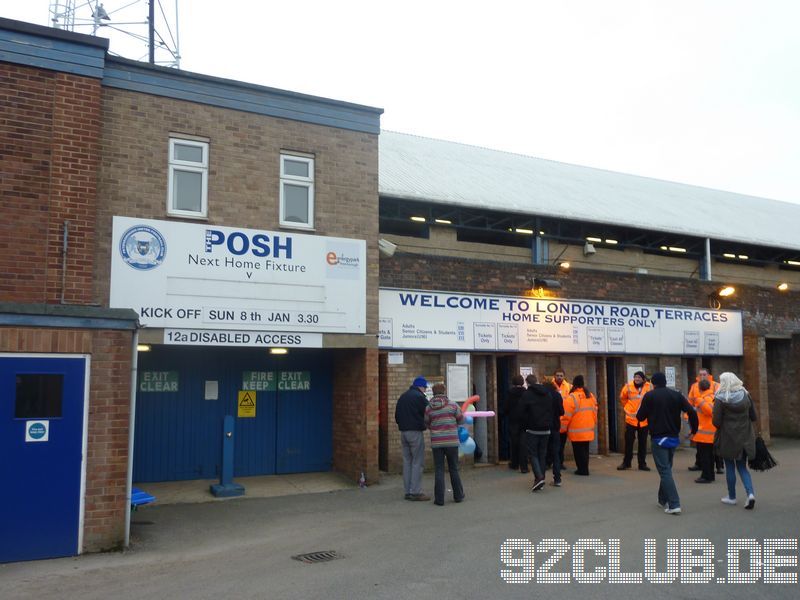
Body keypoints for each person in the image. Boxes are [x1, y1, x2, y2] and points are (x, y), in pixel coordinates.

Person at [636, 372, 698, 515]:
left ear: (653, 383)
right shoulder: (676, 395)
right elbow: (692, 412)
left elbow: (640, 416)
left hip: (659, 438)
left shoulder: (650, 396)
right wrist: (694, 429)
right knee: (667, 469)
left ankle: (674, 503)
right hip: (673, 438)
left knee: (664, 471)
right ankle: (662, 499)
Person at [713, 372, 757, 509]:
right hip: (744, 437)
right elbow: (753, 416)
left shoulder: (720, 399)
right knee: (742, 467)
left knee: (730, 467)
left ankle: (732, 497)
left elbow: (716, 421)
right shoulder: (746, 395)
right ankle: (750, 494)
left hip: (728, 438)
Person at [520, 373, 564, 491]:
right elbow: (553, 410)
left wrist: (525, 424)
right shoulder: (547, 394)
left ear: (528, 383)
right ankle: (542, 479)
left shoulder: (527, 394)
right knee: (542, 454)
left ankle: (539, 477)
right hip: (546, 429)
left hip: (532, 429)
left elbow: (522, 412)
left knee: (533, 454)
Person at [424, 383, 465, 506]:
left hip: (437, 442)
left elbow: (426, 423)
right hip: (452, 441)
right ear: (444, 391)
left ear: (433, 392)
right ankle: (458, 495)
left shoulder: (428, 407)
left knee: (439, 469)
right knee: (454, 468)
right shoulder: (452, 405)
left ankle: (439, 499)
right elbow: (461, 419)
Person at [395, 376, 430, 501]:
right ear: (421, 386)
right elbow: (429, 411)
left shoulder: (403, 396)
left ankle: (408, 491)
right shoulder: (420, 397)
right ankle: (416, 492)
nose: (425, 390)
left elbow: (396, 415)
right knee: (417, 462)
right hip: (415, 432)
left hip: (403, 432)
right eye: (425, 387)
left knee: (407, 462)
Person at [561, 375, 597, 476]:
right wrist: (593, 422)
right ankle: (585, 468)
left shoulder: (572, 397)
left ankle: (581, 470)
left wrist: (562, 429)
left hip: (576, 429)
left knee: (578, 451)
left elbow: (566, 416)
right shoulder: (590, 395)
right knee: (585, 450)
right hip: (588, 428)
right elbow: (595, 410)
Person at [617, 371, 652, 471]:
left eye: (639, 377)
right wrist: (628, 408)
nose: (637, 379)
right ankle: (626, 463)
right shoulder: (628, 386)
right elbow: (622, 398)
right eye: (635, 377)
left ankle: (642, 464)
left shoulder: (649, 387)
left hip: (644, 420)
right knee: (628, 443)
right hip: (631, 419)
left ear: (643, 379)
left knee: (642, 443)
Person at [687, 368, 719, 472]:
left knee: (711, 446)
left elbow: (717, 404)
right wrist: (688, 417)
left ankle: (718, 466)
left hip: (711, 421)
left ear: (708, 375)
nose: (702, 376)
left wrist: (701, 403)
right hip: (698, 420)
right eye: (700, 374)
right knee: (700, 445)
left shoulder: (715, 385)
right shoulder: (694, 386)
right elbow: (690, 402)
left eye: (704, 374)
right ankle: (699, 464)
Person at [693, 379, 718, 483]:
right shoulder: (713, 397)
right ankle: (710, 475)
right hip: (709, 432)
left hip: (705, 433)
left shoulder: (703, 399)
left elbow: (709, 411)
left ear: (699, 388)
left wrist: (699, 402)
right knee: (710, 456)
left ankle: (706, 476)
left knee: (705, 457)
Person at [546, 369, 570, 472]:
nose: (559, 377)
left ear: (564, 376)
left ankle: (560, 463)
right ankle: (548, 462)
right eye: (557, 375)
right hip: (553, 419)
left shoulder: (569, 387)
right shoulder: (550, 386)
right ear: (554, 376)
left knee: (561, 444)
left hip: (564, 420)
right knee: (549, 443)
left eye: (561, 375)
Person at [503, 375, 527, 472]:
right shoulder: (526, 393)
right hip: (525, 421)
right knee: (523, 444)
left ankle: (514, 463)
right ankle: (524, 466)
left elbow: (506, 408)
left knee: (514, 443)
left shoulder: (510, 394)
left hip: (513, 421)